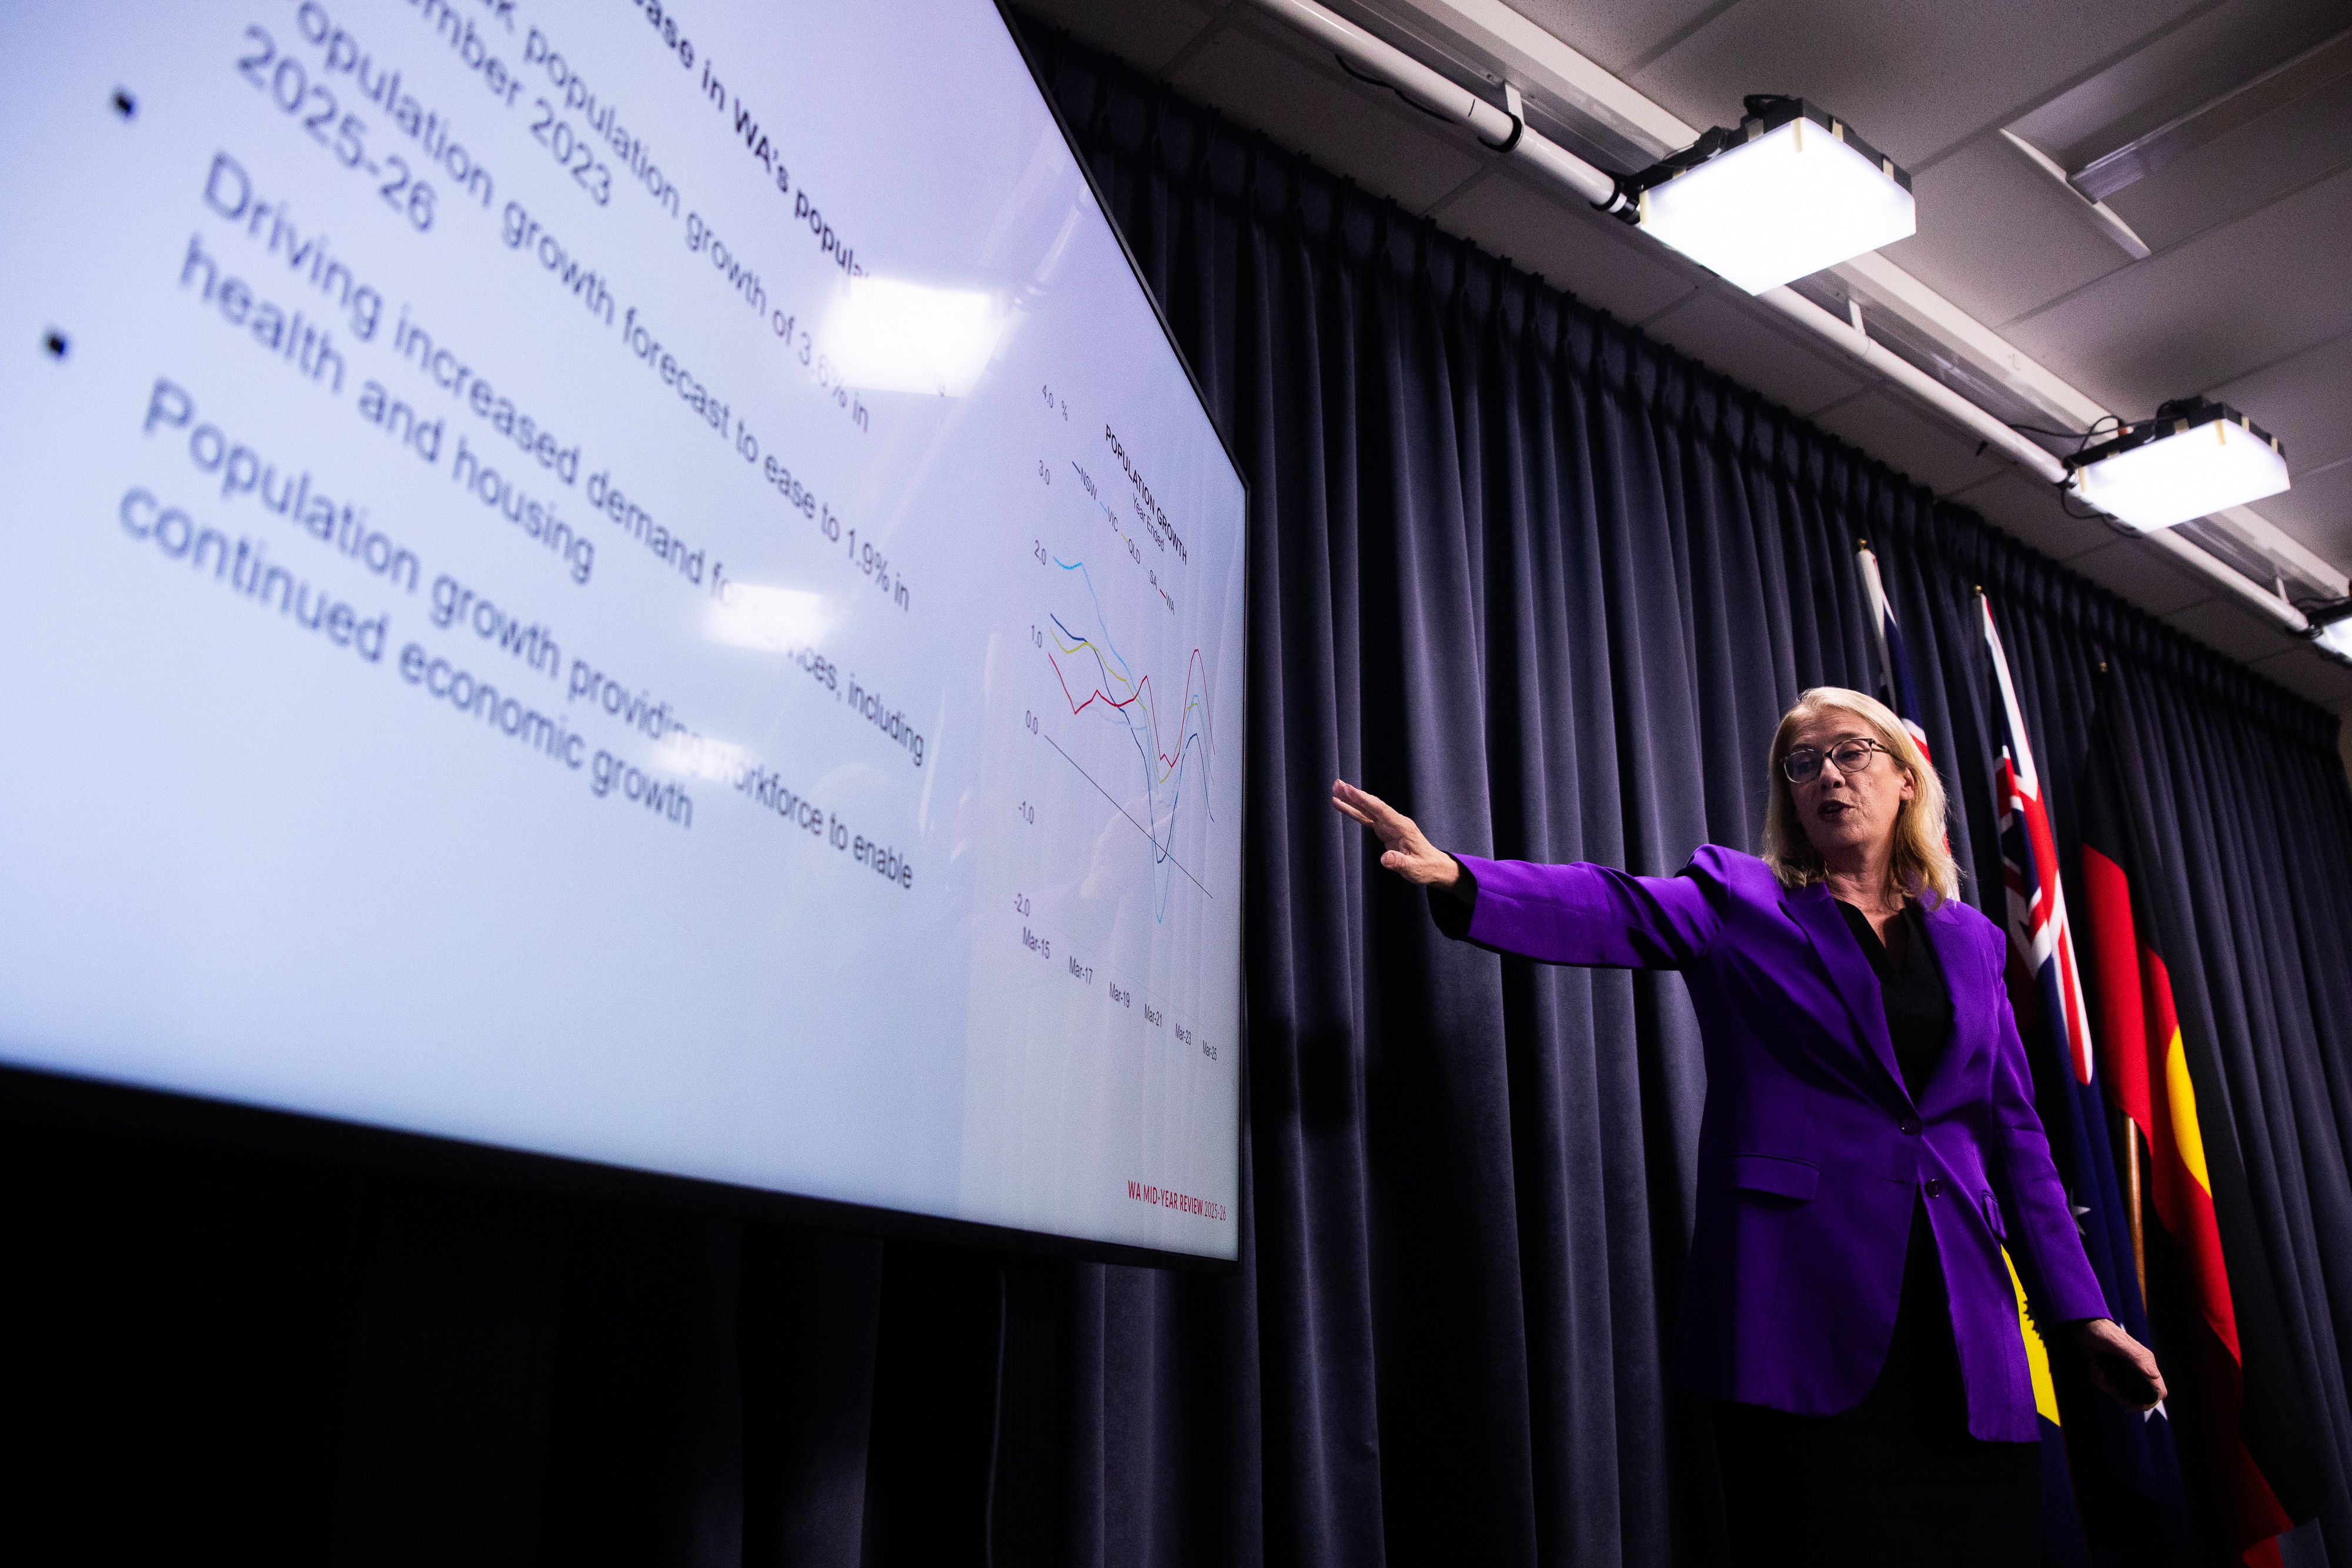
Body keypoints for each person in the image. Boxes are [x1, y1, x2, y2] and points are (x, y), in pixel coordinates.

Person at [1331, 686, 2165, 1566]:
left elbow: (2017, 1144)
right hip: (1800, 1315)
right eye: (1802, 765)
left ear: (1906, 780)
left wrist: (2082, 1317)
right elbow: (1613, 907)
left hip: (1964, 1330)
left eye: (1850, 753)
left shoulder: (1973, 943)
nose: (1827, 777)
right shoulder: (1741, 899)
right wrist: (1465, 879)